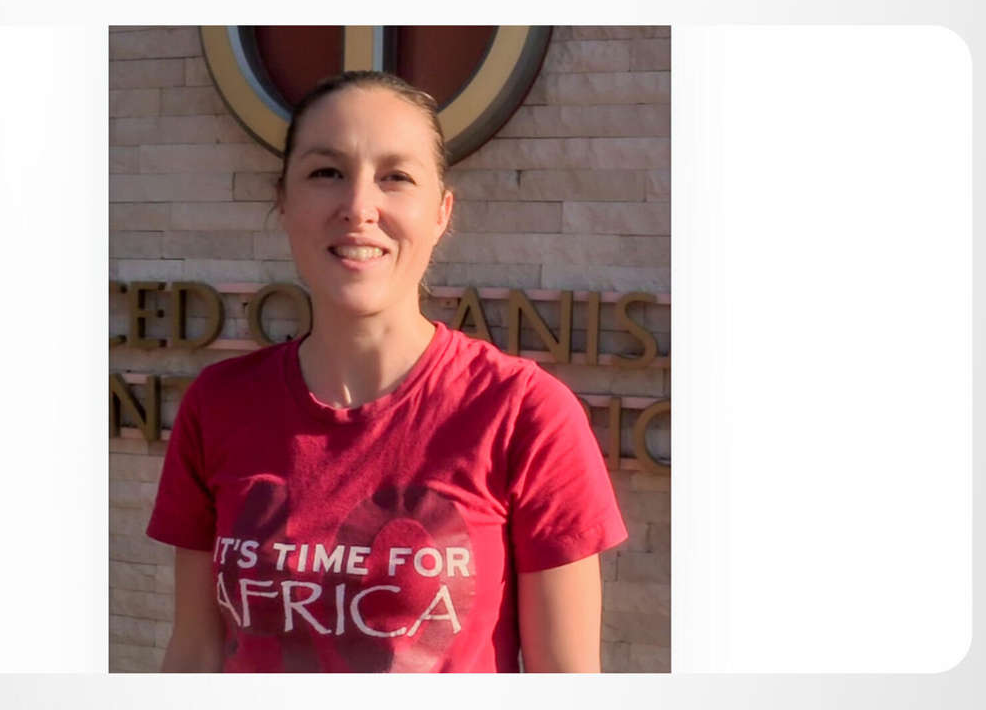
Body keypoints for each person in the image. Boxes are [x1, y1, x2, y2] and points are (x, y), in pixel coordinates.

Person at [145, 71, 627, 673]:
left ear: (441, 212)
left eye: (396, 177)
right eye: (327, 173)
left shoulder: (523, 412)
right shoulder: (218, 403)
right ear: (283, 200)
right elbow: (195, 651)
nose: (358, 208)